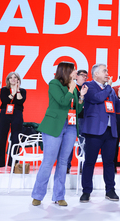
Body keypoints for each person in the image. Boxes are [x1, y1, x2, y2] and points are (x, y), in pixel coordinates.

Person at [31, 62, 88, 206]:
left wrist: (80, 97)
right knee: (48, 161)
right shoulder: (55, 83)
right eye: (74, 70)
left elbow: (77, 109)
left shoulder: (73, 87)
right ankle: (38, 195)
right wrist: (71, 90)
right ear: (66, 71)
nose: (76, 73)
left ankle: (59, 195)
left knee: (63, 162)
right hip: (54, 125)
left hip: (70, 126)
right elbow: (62, 102)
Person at [79, 63, 120, 203]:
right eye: (104, 71)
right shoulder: (88, 85)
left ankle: (110, 190)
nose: (107, 73)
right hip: (94, 130)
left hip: (110, 131)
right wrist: (110, 87)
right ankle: (86, 191)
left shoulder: (109, 90)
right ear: (96, 74)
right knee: (89, 162)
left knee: (110, 162)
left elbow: (117, 107)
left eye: (107, 70)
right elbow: (96, 98)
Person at [0, 73, 26, 173]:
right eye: (10, 78)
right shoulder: (4, 90)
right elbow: (5, 100)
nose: (13, 79)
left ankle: (14, 164)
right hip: (4, 114)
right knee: (1, 138)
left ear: (18, 80)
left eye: (15, 77)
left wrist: (18, 91)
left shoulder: (23, 91)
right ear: (8, 80)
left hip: (17, 114)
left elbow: (20, 101)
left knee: (16, 139)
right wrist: (13, 93)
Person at [66, 69, 89, 174]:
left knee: (82, 143)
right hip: (72, 117)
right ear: (77, 76)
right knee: (69, 142)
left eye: (86, 76)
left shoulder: (88, 88)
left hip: (84, 118)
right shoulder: (71, 87)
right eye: (82, 75)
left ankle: (82, 166)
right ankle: (66, 166)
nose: (84, 77)